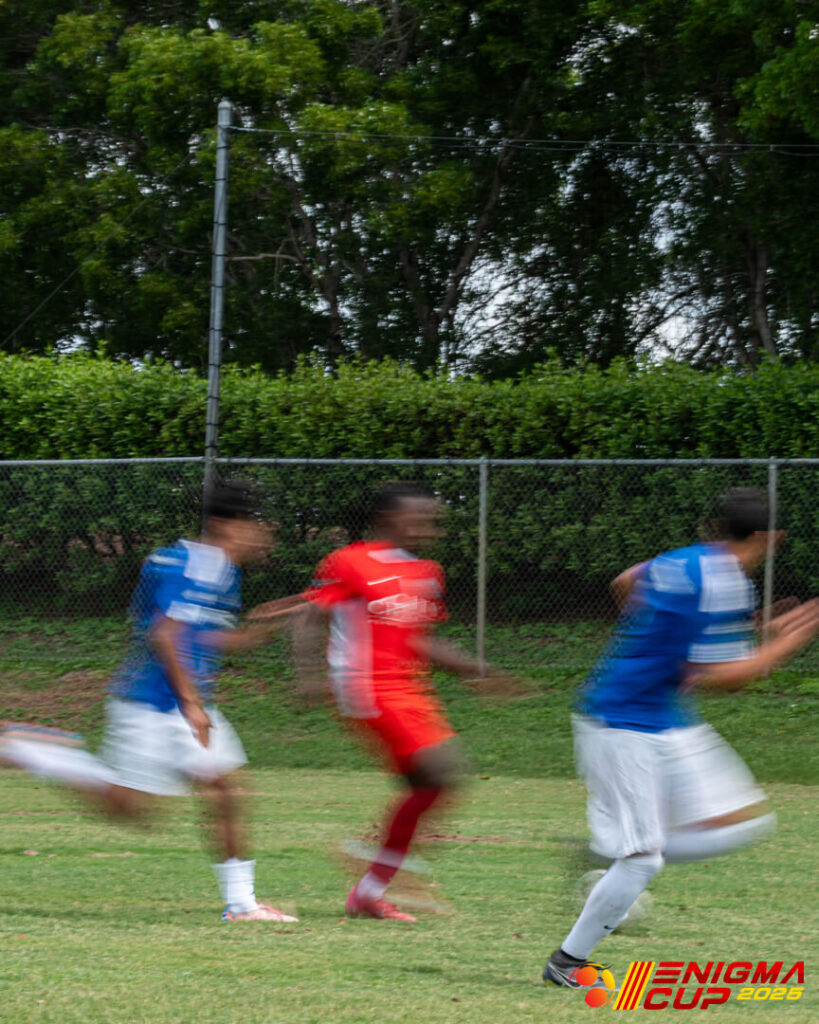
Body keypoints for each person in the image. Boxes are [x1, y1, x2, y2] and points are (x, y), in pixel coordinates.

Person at [543, 487, 819, 987]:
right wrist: (786, 643)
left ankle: (609, 856)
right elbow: (728, 679)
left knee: (740, 822)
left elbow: (625, 581)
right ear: (771, 537)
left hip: (664, 717)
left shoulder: (681, 560)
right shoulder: (726, 581)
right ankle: (567, 963)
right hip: (623, 721)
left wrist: (659, 640)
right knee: (644, 859)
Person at [1, 479, 303, 923]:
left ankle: (242, 906)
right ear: (227, 524)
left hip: (180, 704)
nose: (264, 538)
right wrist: (191, 703)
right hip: (150, 704)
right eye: (257, 528)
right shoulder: (189, 564)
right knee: (130, 810)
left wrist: (266, 628)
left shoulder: (223, 570)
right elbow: (165, 634)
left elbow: (204, 638)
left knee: (226, 789)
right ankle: (30, 748)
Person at [292, 481, 506, 922]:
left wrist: (474, 670)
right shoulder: (350, 561)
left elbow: (419, 640)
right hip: (366, 686)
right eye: (418, 518)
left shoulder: (427, 572)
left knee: (433, 785)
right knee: (441, 770)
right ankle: (375, 863)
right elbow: (309, 618)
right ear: (388, 519)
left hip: (412, 690)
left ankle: (369, 889)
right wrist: (308, 676)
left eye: (432, 520)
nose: (427, 527)